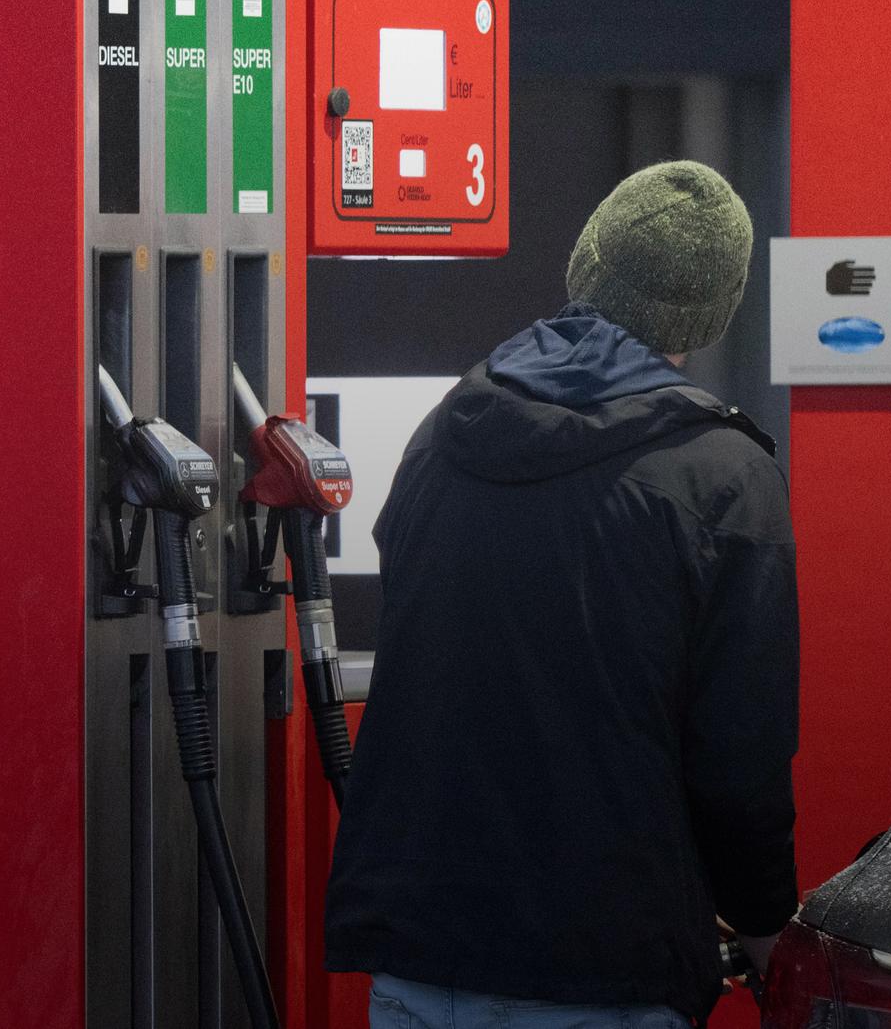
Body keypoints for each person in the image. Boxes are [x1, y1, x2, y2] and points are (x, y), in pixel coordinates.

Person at [325, 160, 799, 1029]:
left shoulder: (444, 436)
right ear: (708, 311)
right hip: (602, 971)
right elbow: (742, 760)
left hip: (421, 962)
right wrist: (768, 931)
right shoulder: (725, 478)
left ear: (589, 268)